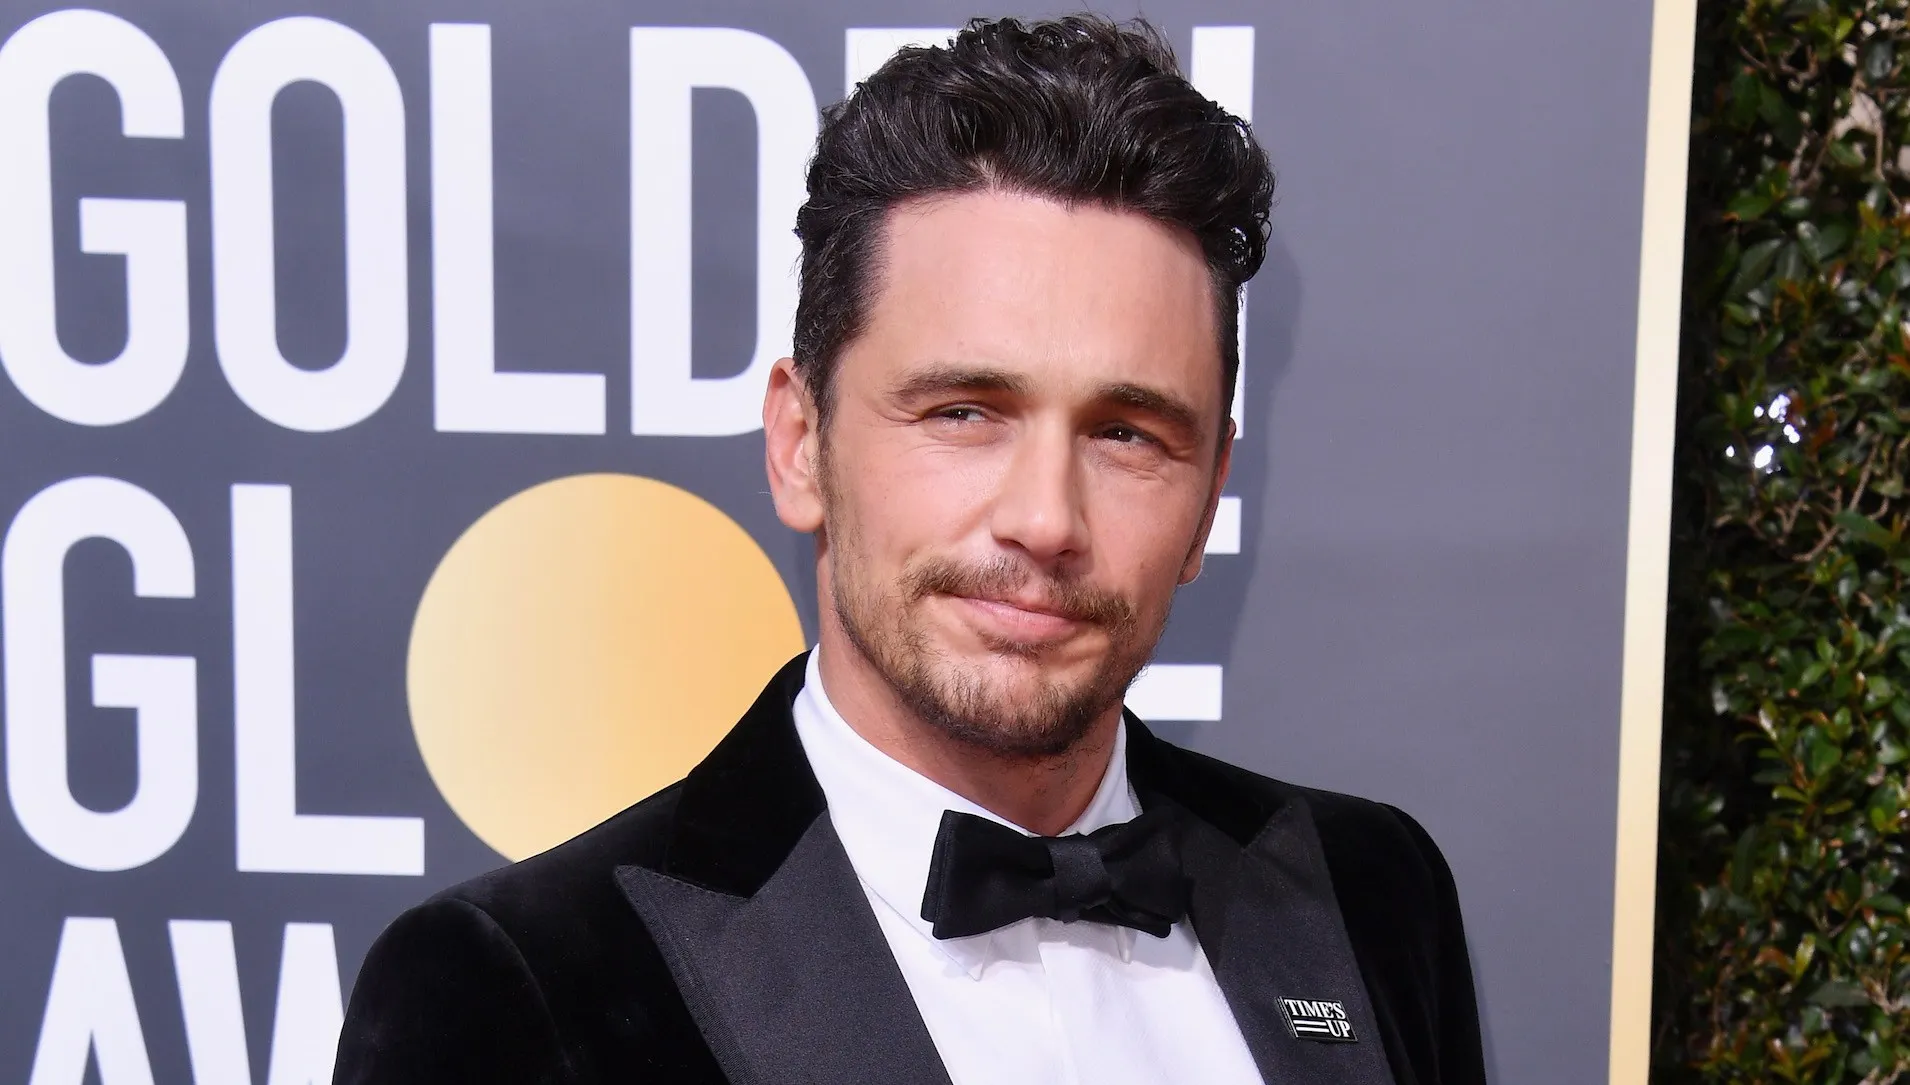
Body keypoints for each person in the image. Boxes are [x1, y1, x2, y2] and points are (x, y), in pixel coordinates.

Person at [333, 14, 1485, 1085]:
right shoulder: (523, 986)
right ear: (800, 443)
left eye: (1126, 433)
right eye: (962, 412)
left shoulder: (1365, 890)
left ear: (1207, 494)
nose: (1045, 518)